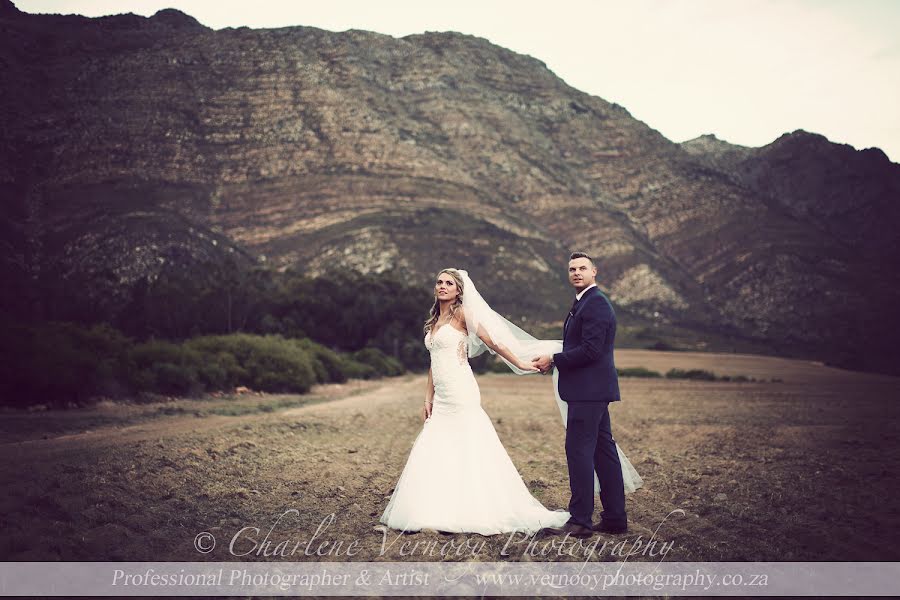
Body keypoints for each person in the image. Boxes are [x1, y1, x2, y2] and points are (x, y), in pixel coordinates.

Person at [379, 267, 641, 536]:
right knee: (437, 442)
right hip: (441, 394)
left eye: (449, 283)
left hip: (461, 390)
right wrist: (428, 396)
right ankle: (434, 506)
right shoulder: (434, 320)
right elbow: (435, 361)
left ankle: (475, 506)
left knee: (468, 441)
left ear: (459, 290)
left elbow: (493, 342)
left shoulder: (462, 314)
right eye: (439, 282)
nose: (443, 286)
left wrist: (520, 363)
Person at [532, 252, 631, 538]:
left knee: (579, 453)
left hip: (589, 392)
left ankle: (580, 521)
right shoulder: (584, 303)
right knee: (603, 452)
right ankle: (614, 518)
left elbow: (591, 350)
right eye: (572, 269)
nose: (576, 272)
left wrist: (554, 359)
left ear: (594, 272)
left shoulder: (596, 304)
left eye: (582, 268)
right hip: (592, 390)